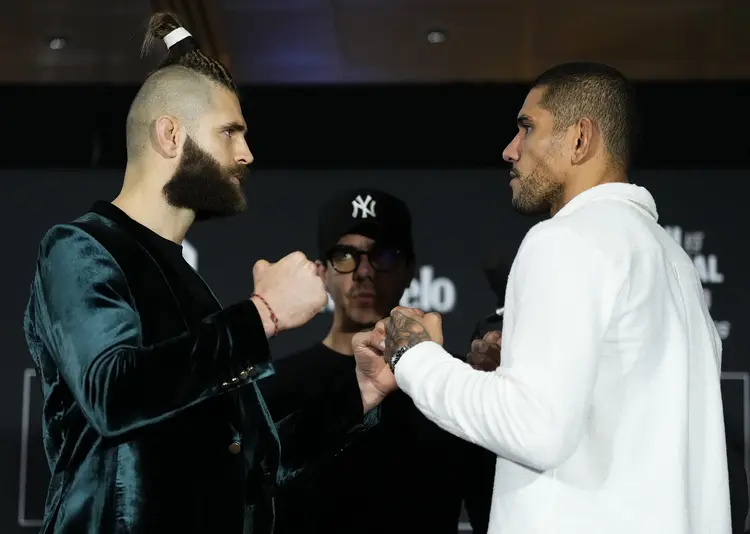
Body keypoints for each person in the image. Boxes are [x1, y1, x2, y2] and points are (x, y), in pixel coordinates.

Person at [22, 13, 395, 534]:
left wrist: (359, 393)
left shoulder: (187, 281)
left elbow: (250, 461)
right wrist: (263, 314)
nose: (246, 153)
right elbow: (114, 394)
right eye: (229, 132)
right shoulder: (80, 248)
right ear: (170, 135)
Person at [356, 62, 733, 534]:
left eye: (527, 128)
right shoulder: (674, 260)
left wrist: (414, 356)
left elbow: (534, 428)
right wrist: (513, 368)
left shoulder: (566, 238)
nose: (510, 150)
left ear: (580, 139)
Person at [259, 188, 496, 534]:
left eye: (382, 255)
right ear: (322, 272)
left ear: (409, 269)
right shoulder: (277, 388)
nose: (364, 272)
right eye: (345, 255)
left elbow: (491, 515)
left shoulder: (451, 385)